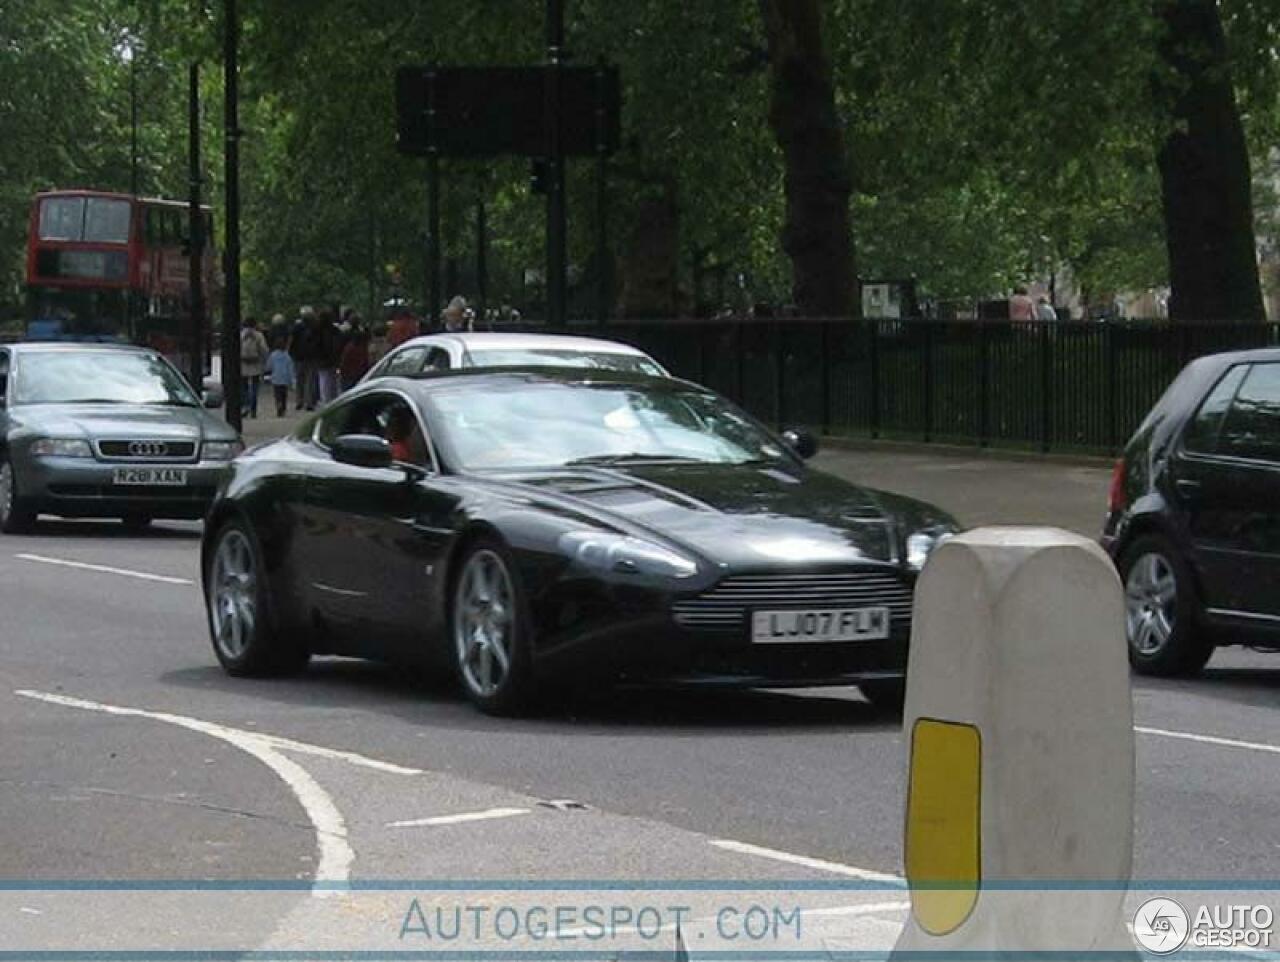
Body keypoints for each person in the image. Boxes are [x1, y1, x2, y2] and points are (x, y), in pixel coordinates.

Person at [239, 316, 269, 419]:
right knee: (255, 388)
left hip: (243, 364)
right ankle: (253, 410)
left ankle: (245, 405)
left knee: (244, 387)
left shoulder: (241, 335)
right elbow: (264, 350)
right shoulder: (258, 336)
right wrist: (263, 361)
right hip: (255, 364)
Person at [264, 338, 296, 418]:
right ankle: (283, 407)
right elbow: (290, 368)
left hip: (275, 378)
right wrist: (292, 379)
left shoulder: (273, 355)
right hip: (285, 378)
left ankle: (278, 405)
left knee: (277, 394)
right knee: (284, 394)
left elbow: (268, 366)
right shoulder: (287, 356)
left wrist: (267, 374)